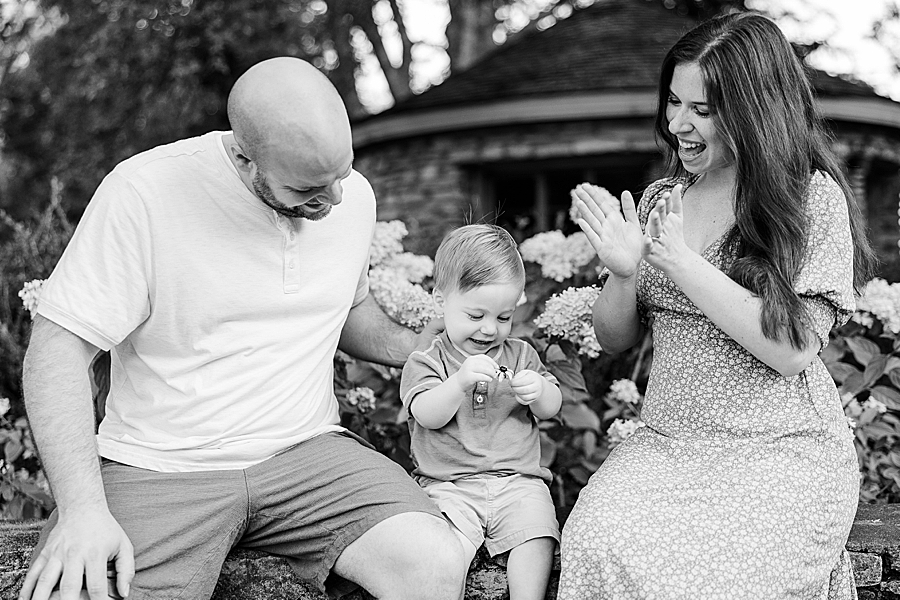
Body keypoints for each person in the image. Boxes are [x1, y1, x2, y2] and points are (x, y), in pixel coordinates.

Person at [19, 57, 466, 600]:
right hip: (162, 464)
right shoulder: (145, 192)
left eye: (342, 175)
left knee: (434, 563)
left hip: (310, 455)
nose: (336, 200)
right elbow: (56, 355)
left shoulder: (350, 198)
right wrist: (83, 511)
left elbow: (347, 308)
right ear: (245, 159)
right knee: (77, 590)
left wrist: (410, 345)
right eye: (308, 188)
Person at [560, 12, 876, 599]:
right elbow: (614, 339)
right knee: (593, 543)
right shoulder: (663, 196)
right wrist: (625, 274)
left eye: (702, 110)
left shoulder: (812, 200)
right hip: (667, 446)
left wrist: (681, 262)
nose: (678, 123)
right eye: (674, 103)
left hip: (779, 452)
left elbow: (795, 349)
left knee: (712, 580)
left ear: (755, 110)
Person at [399, 224, 563, 600]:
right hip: (449, 485)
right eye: (475, 316)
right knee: (440, 549)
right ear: (441, 301)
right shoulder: (428, 360)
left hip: (518, 480)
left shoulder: (520, 355)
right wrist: (457, 383)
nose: (490, 329)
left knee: (537, 532)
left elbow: (552, 407)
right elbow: (427, 414)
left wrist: (538, 392)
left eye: (503, 317)